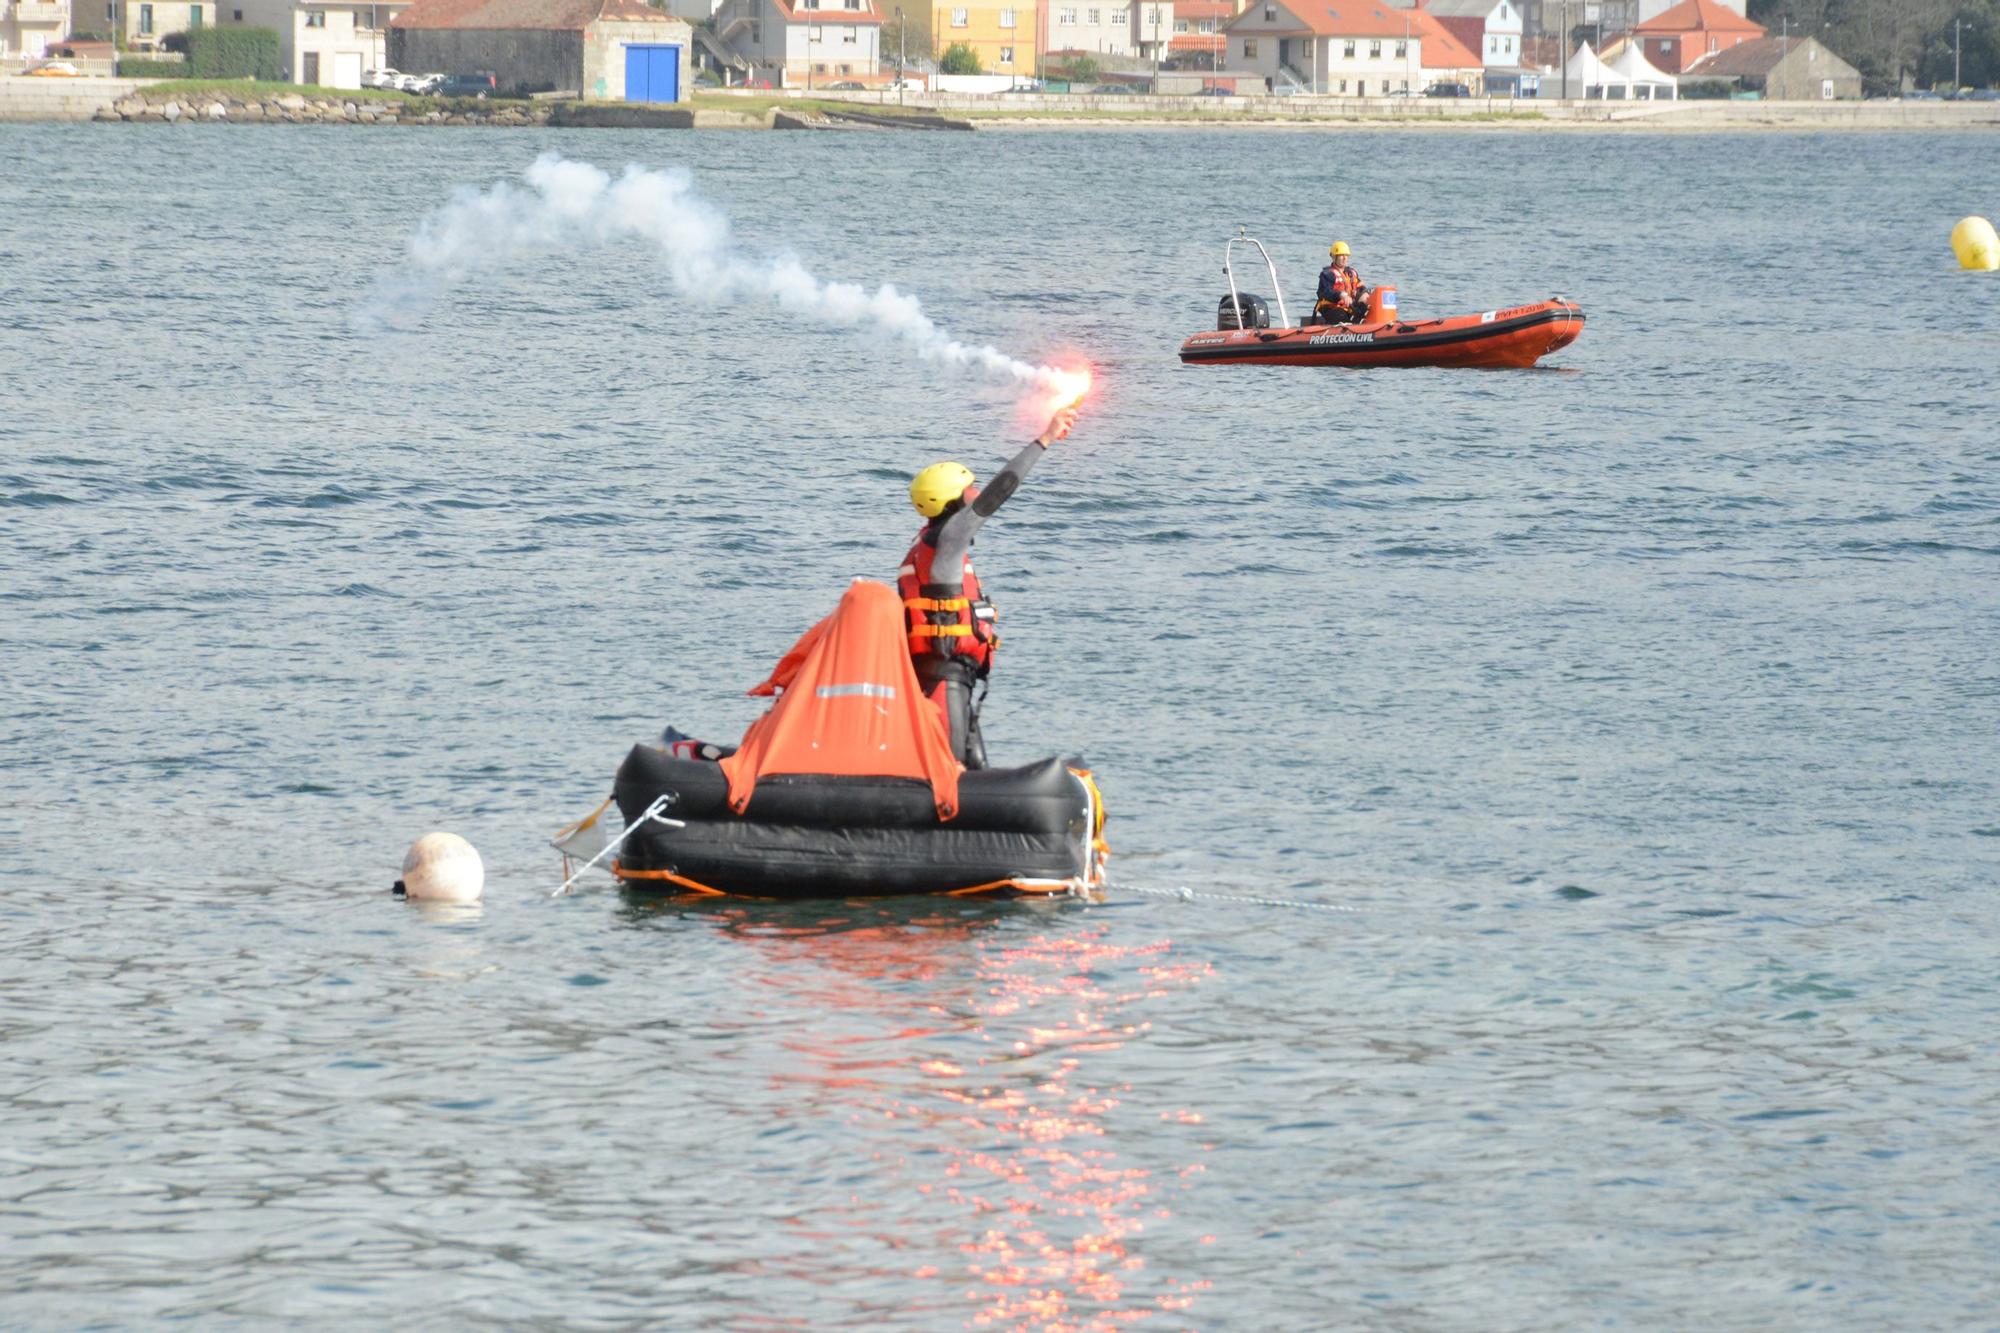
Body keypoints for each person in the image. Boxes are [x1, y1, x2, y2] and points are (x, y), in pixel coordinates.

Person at [900, 402, 1078, 769]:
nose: (977, 492)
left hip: (951, 677)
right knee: (951, 770)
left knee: (973, 765)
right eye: (970, 488)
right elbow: (1002, 490)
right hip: (942, 680)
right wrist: (1045, 438)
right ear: (952, 500)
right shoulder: (949, 538)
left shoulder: (933, 545)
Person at [1313, 241, 1367, 325]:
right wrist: (1340, 294)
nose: (1345, 258)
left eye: (1346, 255)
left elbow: (1359, 287)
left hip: (1350, 308)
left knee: (1366, 308)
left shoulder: (1351, 273)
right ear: (1334, 257)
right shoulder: (1327, 274)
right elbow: (1326, 292)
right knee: (1341, 316)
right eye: (1341, 255)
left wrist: (1364, 294)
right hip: (1332, 308)